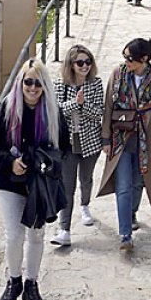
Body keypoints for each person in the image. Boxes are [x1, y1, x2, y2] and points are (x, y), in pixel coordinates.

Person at [0, 59, 70, 300]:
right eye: (28, 82)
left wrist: (43, 161)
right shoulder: (5, 110)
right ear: (21, 83)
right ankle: (14, 281)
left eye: (38, 83)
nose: (32, 88)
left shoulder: (53, 114)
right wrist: (10, 162)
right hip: (9, 182)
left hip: (39, 184)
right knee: (14, 236)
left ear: (44, 86)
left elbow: (63, 148)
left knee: (36, 235)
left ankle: (32, 283)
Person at [97, 38, 151, 251]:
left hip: (144, 141)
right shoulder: (118, 74)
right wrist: (105, 138)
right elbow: (108, 106)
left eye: (130, 58)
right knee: (123, 186)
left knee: (139, 182)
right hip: (121, 138)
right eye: (124, 56)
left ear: (144, 59)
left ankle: (131, 213)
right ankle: (125, 235)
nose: (126, 61)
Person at [51, 44, 105, 247]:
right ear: (71, 64)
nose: (85, 66)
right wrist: (76, 103)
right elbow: (56, 111)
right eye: (80, 62)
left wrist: (83, 105)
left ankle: (85, 204)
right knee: (67, 185)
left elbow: (99, 112)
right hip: (68, 143)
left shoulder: (96, 84)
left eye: (88, 62)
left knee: (86, 178)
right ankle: (64, 229)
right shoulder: (60, 85)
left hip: (90, 141)